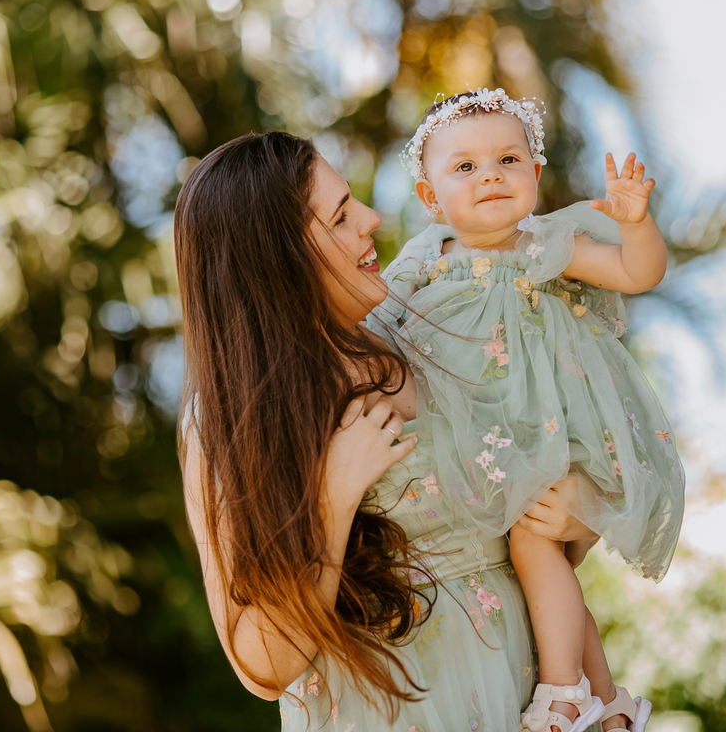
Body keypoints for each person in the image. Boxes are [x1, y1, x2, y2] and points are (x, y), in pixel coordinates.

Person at [174, 130, 612, 731]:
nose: (372, 219)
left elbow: (539, 517)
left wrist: (577, 513)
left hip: (525, 695)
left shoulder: (426, 333)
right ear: (279, 260)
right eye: (340, 217)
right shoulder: (229, 420)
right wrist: (333, 497)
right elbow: (261, 668)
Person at [368, 89, 684, 732]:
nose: (490, 175)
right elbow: (375, 330)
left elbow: (637, 272)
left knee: (535, 541)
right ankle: (606, 701)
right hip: (479, 437)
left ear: (535, 175)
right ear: (430, 197)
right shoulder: (423, 258)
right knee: (533, 566)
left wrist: (635, 225)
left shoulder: (544, 244)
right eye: (465, 167)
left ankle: (564, 694)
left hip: (549, 432)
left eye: (508, 160)